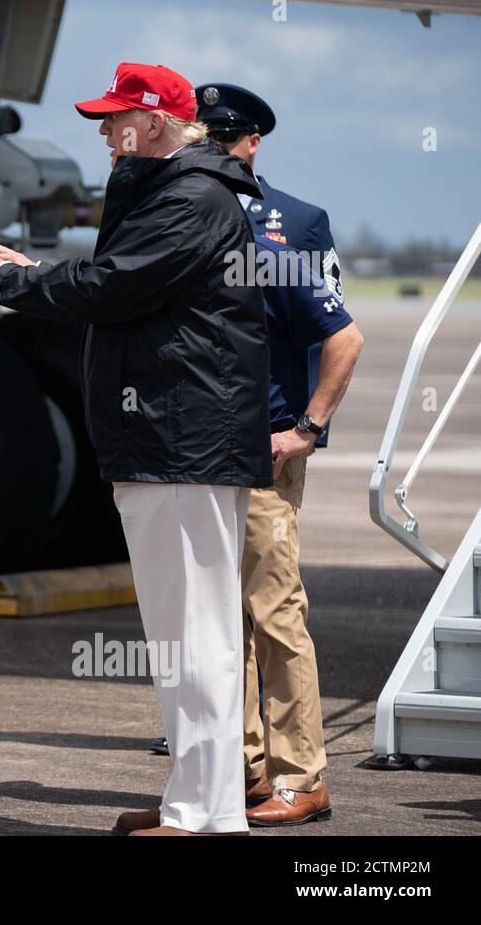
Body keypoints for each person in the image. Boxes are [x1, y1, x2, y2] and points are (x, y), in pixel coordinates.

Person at [0, 61, 272, 836]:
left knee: (195, 635)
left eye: (115, 117)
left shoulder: (190, 198)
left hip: (179, 442)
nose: (102, 130)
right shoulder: (184, 192)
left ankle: (200, 815)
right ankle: (203, 804)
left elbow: (110, 286)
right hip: (173, 438)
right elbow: (119, 283)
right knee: (187, 634)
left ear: (153, 123)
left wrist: (11, 278)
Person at [200, 83, 364, 827]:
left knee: (272, 610)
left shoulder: (289, 225)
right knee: (212, 620)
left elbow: (343, 337)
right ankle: (242, 771)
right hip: (191, 453)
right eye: (201, 133)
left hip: (264, 449)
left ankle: (303, 775)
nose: (212, 146)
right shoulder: (177, 214)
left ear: (253, 141)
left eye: (224, 135)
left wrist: (306, 430)